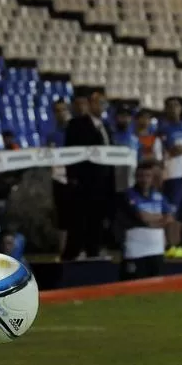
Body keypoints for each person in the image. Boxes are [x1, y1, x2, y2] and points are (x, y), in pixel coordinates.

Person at [64, 88, 114, 260]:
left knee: (98, 219)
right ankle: (74, 253)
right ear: (90, 103)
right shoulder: (77, 124)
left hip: (103, 182)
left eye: (104, 103)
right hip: (84, 182)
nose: (102, 106)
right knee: (80, 220)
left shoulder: (106, 126)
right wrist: (73, 178)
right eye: (99, 102)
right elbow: (70, 152)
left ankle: (94, 250)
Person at [120, 161, 177, 280]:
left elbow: (170, 217)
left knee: (156, 283)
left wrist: (152, 221)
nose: (144, 180)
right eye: (141, 176)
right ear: (135, 177)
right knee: (133, 283)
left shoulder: (158, 196)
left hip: (156, 248)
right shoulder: (129, 194)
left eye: (147, 176)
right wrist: (160, 217)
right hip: (136, 248)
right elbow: (142, 216)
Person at [159, 97, 182, 258]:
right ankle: (168, 246)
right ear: (165, 109)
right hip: (172, 174)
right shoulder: (164, 128)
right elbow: (171, 150)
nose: (174, 109)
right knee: (171, 212)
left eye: (176, 106)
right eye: (170, 106)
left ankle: (177, 245)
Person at [46, 99, 72, 259]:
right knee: (62, 217)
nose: (60, 113)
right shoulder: (52, 135)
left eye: (63, 109)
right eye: (56, 110)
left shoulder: (76, 131)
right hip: (58, 179)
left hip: (75, 178)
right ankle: (62, 251)